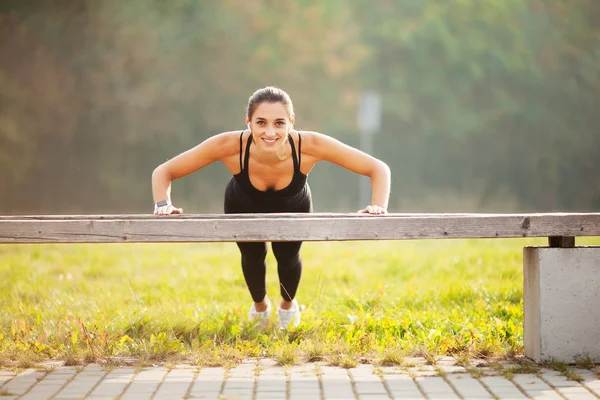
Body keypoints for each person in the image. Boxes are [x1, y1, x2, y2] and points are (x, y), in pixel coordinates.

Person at [151, 86, 391, 329]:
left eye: (279, 123)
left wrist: (378, 206)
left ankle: (288, 307)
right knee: (252, 257)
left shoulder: (311, 145)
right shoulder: (228, 145)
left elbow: (377, 168)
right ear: (248, 122)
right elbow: (164, 172)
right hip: (241, 204)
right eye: (261, 123)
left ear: (291, 123)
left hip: (294, 204)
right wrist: (163, 204)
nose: (269, 132)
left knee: (287, 258)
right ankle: (260, 308)